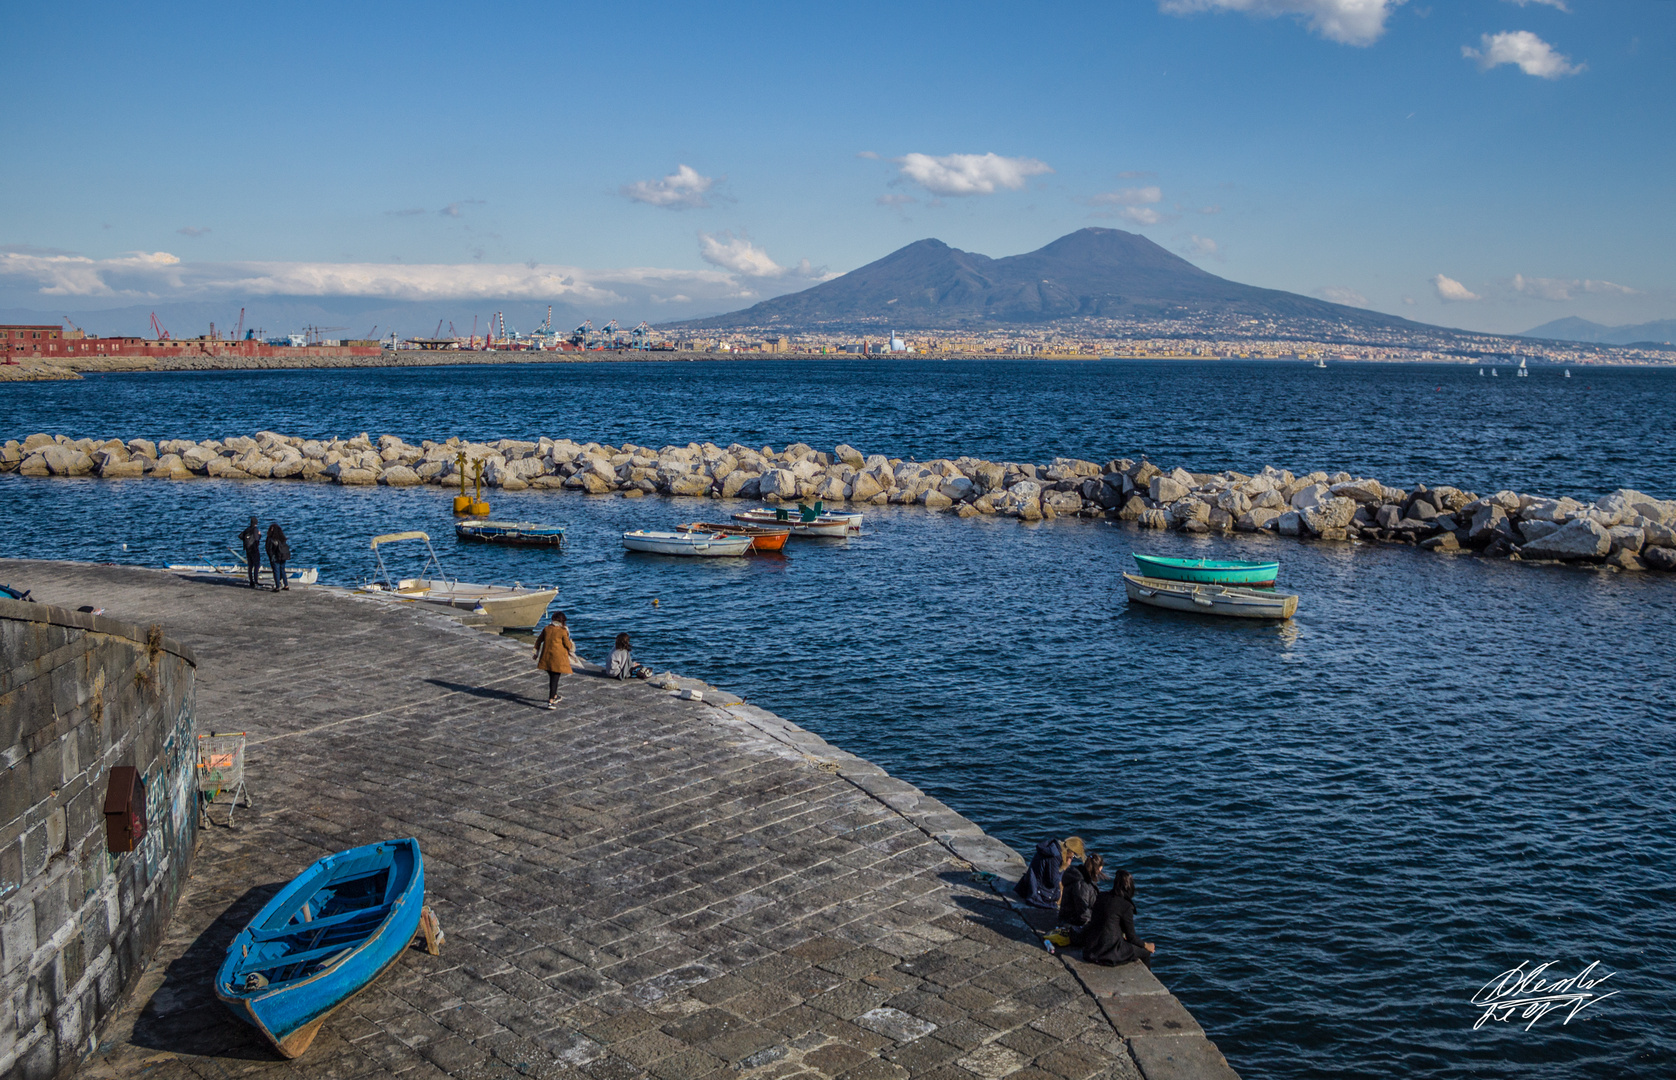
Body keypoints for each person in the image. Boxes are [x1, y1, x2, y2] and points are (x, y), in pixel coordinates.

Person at [1077, 869, 1155, 968]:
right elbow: (1131, 937)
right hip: (1108, 953)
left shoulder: (1101, 896)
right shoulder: (1126, 906)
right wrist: (1147, 945)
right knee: (1145, 953)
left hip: (1092, 949)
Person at [1014, 836, 1085, 909]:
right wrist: (1064, 867)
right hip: (1038, 894)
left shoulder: (1052, 848)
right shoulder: (1055, 856)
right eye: (1074, 855)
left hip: (1031, 885)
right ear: (1070, 851)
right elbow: (1053, 882)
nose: (1072, 858)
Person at [533, 611, 574, 709]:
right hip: (557, 660)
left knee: (552, 677)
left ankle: (555, 695)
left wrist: (536, 653)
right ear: (562, 621)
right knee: (554, 679)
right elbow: (568, 645)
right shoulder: (562, 631)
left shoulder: (546, 629)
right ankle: (551, 701)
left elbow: (538, 641)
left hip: (546, 659)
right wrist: (571, 644)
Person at [1059, 852, 1105, 929]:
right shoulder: (1082, 884)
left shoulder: (1082, 877)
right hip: (1073, 922)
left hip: (1069, 918)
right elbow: (1082, 912)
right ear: (1098, 869)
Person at [264, 522, 291, 592]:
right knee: (282, 570)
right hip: (283, 556)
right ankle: (286, 585)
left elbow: (269, 549)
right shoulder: (282, 538)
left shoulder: (271, 539)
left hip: (275, 557)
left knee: (276, 571)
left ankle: (277, 587)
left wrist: (270, 556)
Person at [238, 516, 262, 588]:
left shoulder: (247, 529)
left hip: (248, 549)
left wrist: (245, 540)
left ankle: (251, 581)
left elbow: (240, 536)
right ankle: (256, 580)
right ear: (256, 523)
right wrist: (260, 535)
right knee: (256, 565)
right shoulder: (255, 529)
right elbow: (257, 539)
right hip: (254, 549)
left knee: (250, 566)